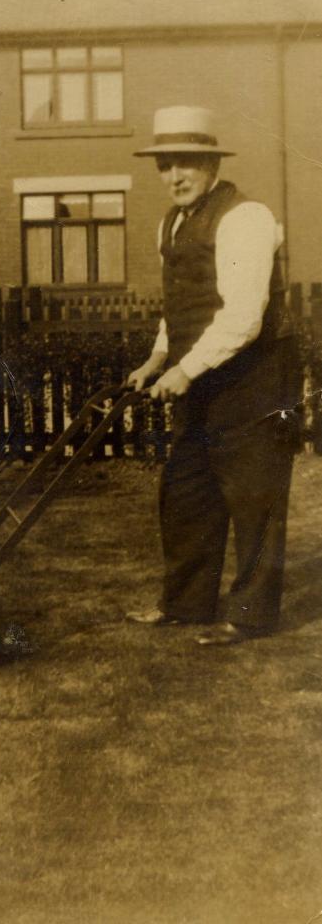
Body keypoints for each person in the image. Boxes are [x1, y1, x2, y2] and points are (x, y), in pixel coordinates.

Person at [126, 106, 301, 646]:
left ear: (210, 164)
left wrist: (185, 368)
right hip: (198, 375)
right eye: (165, 165)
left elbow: (244, 317)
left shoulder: (243, 217)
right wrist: (159, 358)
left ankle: (249, 615)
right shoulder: (171, 222)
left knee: (253, 498)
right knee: (187, 492)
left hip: (254, 380)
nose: (174, 176)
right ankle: (185, 605)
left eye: (186, 164)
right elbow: (181, 307)